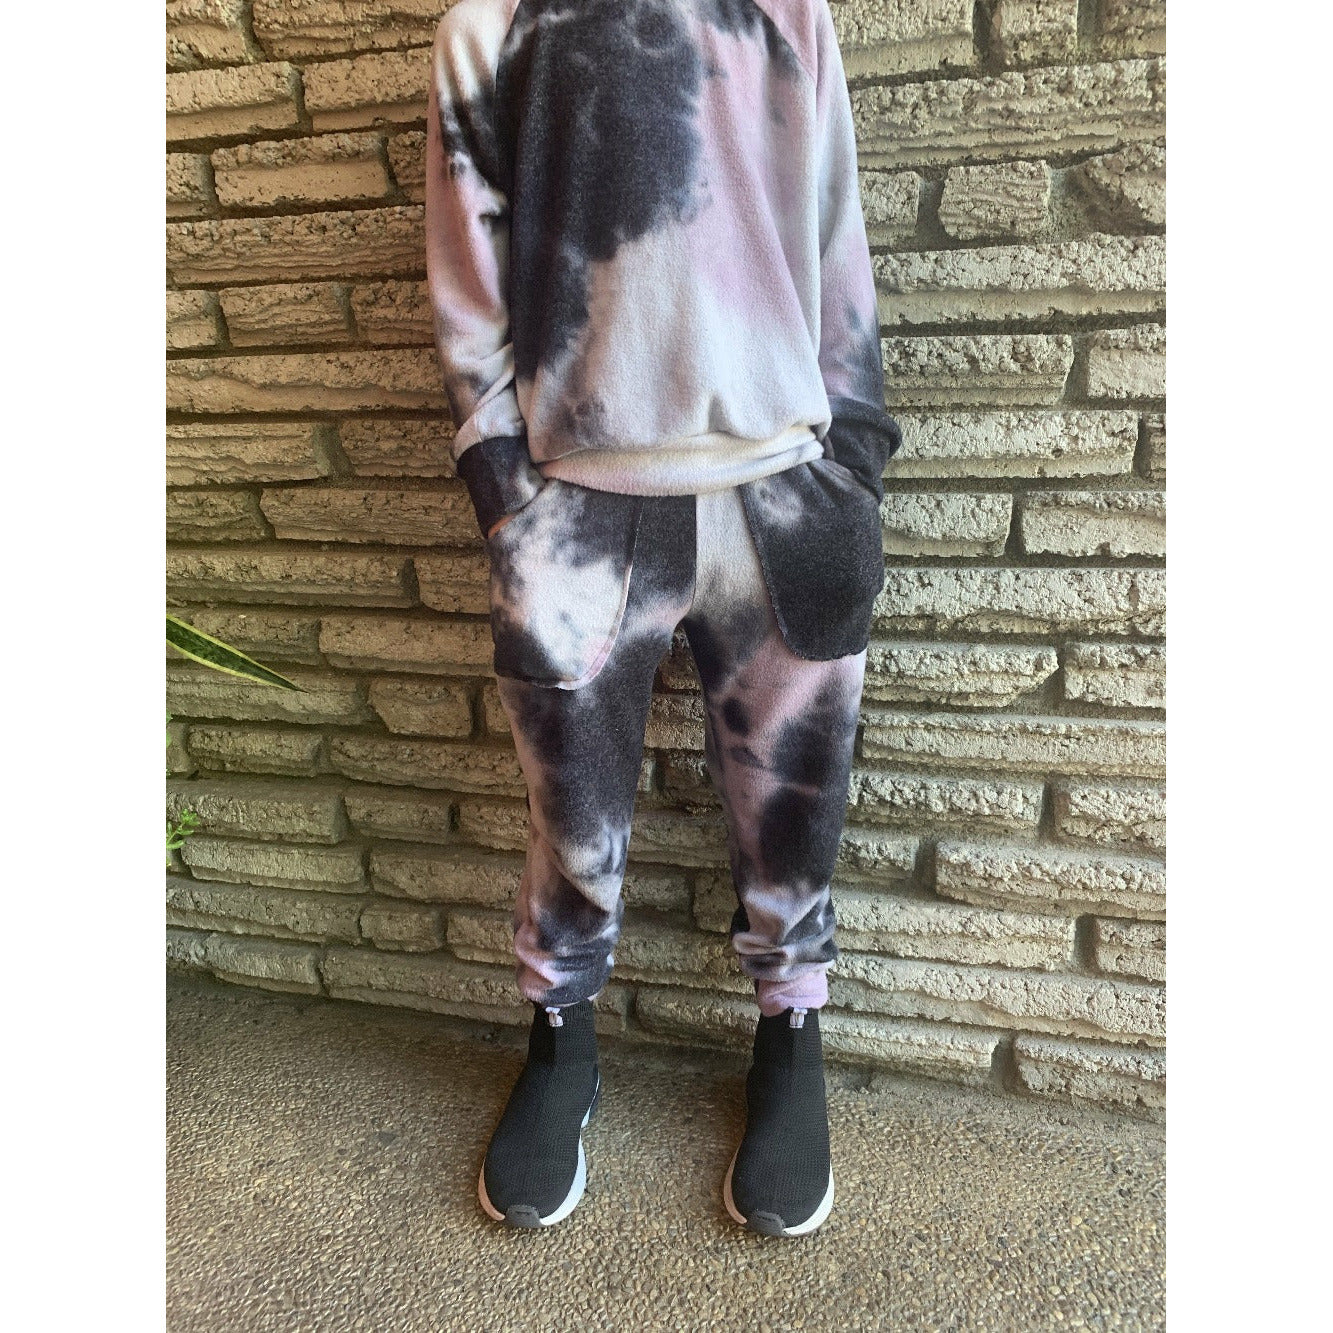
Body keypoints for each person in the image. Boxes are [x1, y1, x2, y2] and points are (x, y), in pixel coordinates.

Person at [424, 0, 901, 1237]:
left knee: (795, 818)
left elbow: (834, 226)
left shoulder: (788, 9)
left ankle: (789, 1038)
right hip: (575, 506)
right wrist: (507, 496)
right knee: (569, 820)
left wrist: (851, 463)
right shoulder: (488, 25)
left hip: (783, 493)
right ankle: (560, 1040)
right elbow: (468, 278)